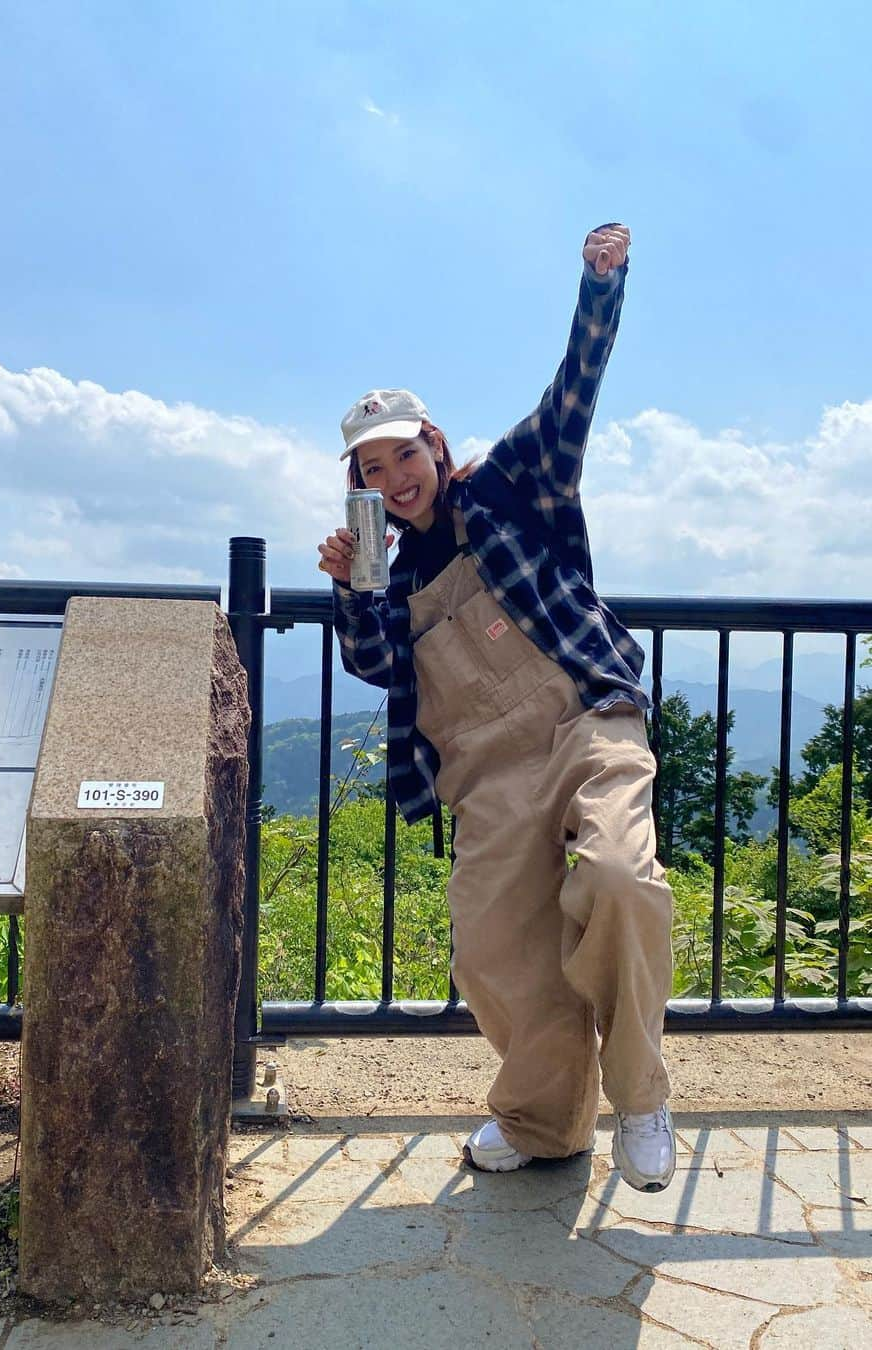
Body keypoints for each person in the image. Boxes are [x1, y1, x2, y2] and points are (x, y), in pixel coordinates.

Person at [317, 225, 676, 1193]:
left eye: (403, 457)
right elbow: (372, 665)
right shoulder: (380, 573)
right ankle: (545, 1122)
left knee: (617, 880)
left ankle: (642, 1093)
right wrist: (352, 590)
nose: (394, 482)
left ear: (434, 445)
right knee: (490, 952)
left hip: (584, 719)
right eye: (371, 474)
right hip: (486, 774)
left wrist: (599, 291)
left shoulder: (511, 483)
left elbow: (572, 399)